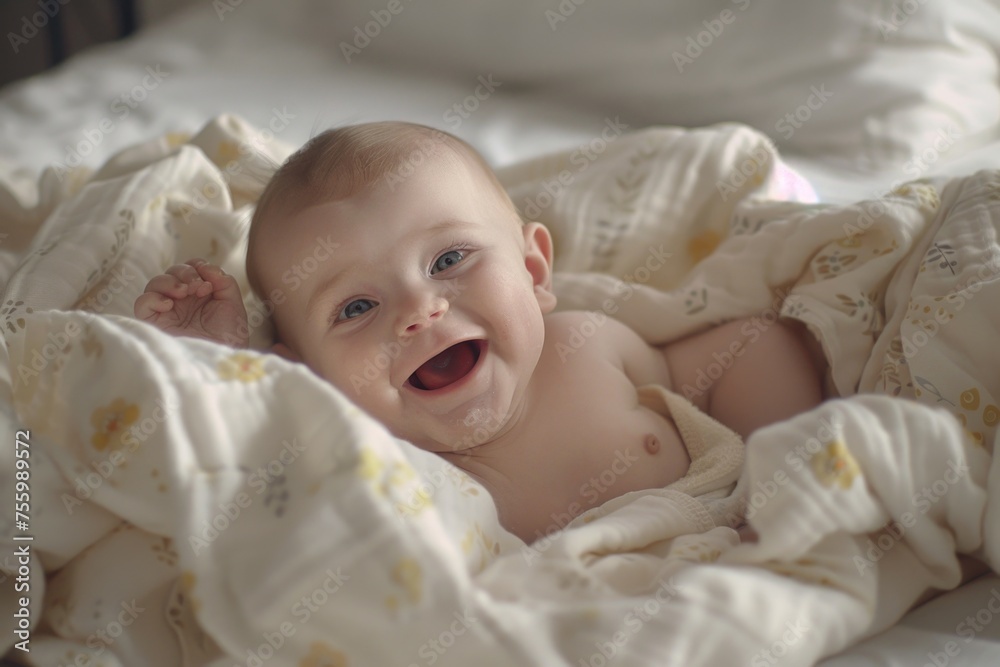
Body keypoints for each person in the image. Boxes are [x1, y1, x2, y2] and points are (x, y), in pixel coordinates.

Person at [134, 122, 825, 542]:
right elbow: (251, 473)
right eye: (354, 308)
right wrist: (220, 363)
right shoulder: (377, 461)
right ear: (309, 376)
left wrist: (784, 485)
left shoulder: (588, 347)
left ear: (533, 270)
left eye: (448, 260)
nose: (417, 308)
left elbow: (750, 346)